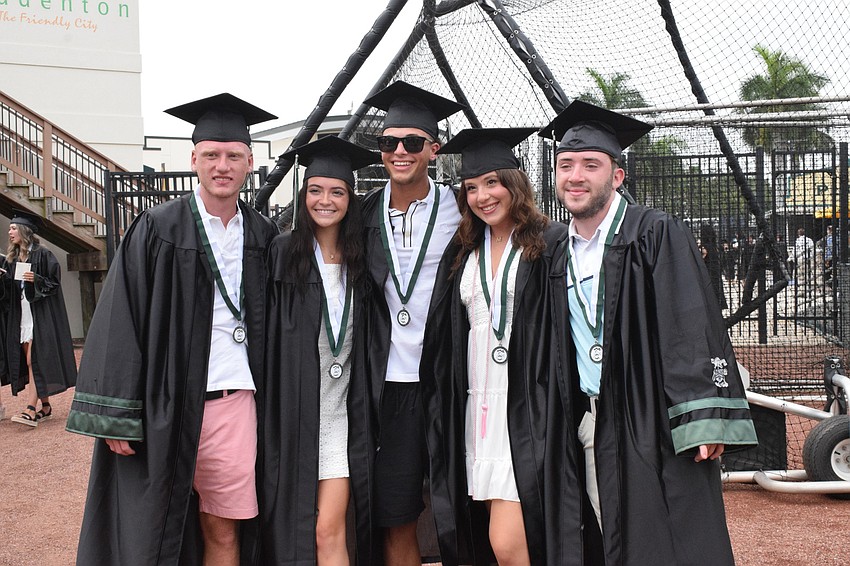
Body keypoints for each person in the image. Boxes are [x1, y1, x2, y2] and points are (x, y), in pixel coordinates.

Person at [541, 101, 758, 566]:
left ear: (616, 176)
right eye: (566, 164)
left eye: (590, 165)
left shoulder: (654, 232)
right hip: (594, 418)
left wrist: (704, 414)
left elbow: (690, 321)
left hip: (652, 419)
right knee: (613, 538)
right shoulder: (558, 249)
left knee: (673, 539)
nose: (576, 175)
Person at [65, 93, 278, 566]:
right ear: (194, 160)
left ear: (248, 162)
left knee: (223, 530)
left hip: (234, 404)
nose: (222, 166)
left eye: (233, 157)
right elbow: (123, 315)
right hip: (165, 404)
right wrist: (118, 412)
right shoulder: (158, 228)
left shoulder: (265, 237)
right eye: (211, 156)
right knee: (152, 532)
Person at [431, 128, 569, 565]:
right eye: (472, 187)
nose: (482, 196)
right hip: (478, 408)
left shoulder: (548, 244)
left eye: (492, 183)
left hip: (525, 408)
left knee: (508, 544)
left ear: (514, 184)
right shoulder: (464, 252)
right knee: (496, 540)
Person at [260, 136, 380, 565]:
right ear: (303, 193)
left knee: (328, 530)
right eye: (315, 190)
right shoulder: (280, 254)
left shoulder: (362, 261)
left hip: (339, 419)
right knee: (293, 530)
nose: (325, 201)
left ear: (350, 197)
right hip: (292, 416)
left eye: (337, 191)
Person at [360, 81, 465, 565]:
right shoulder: (360, 215)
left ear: (434, 150)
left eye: (413, 143)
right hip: (392, 386)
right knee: (397, 511)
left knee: (467, 505)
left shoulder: (463, 211)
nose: (399, 152)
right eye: (388, 143)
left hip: (451, 380)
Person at [0, 209, 76, 427]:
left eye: (13, 228)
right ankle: (46, 406)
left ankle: (30, 409)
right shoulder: (12, 258)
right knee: (28, 359)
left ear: (25, 231)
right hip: (21, 313)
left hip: (39, 314)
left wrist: (37, 278)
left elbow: (54, 283)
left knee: (33, 359)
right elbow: (8, 292)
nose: (10, 231)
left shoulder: (43, 255)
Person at [794, 227, 815, 295]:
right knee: (808, 275)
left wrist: (793, 258)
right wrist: (811, 256)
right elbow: (812, 249)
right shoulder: (809, 240)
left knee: (800, 276)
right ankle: (808, 290)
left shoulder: (798, 241)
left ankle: (802, 291)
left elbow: (796, 250)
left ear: (798, 234)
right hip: (808, 259)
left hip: (800, 259)